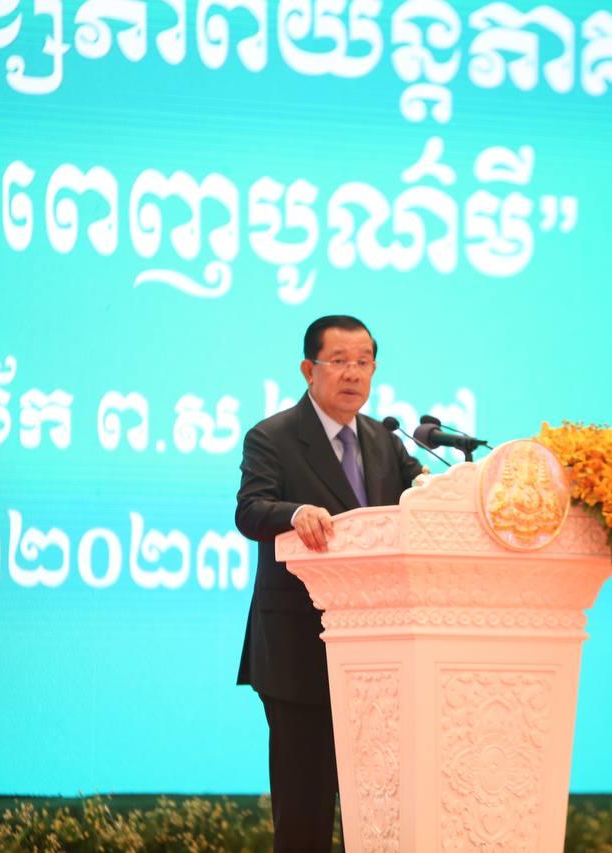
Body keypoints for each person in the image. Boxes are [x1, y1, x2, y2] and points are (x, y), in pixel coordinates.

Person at [235, 315, 424, 852]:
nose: (353, 374)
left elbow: (420, 495)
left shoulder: (384, 440)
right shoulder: (272, 437)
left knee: (384, 816)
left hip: (381, 656)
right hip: (300, 653)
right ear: (308, 369)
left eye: (363, 362)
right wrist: (294, 513)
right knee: (305, 817)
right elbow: (250, 510)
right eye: (339, 361)